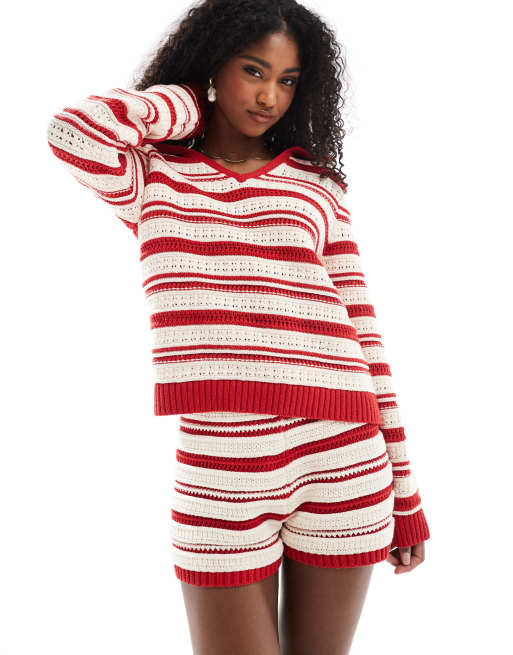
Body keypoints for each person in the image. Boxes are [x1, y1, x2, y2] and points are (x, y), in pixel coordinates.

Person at [46, 0, 431, 652]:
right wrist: (185, 105)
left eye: (287, 80)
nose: (269, 96)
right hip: (222, 461)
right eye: (253, 70)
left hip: (342, 451)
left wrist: (406, 492)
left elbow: (364, 333)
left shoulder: (316, 187)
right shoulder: (154, 177)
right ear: (213, 66)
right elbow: (75, 130)